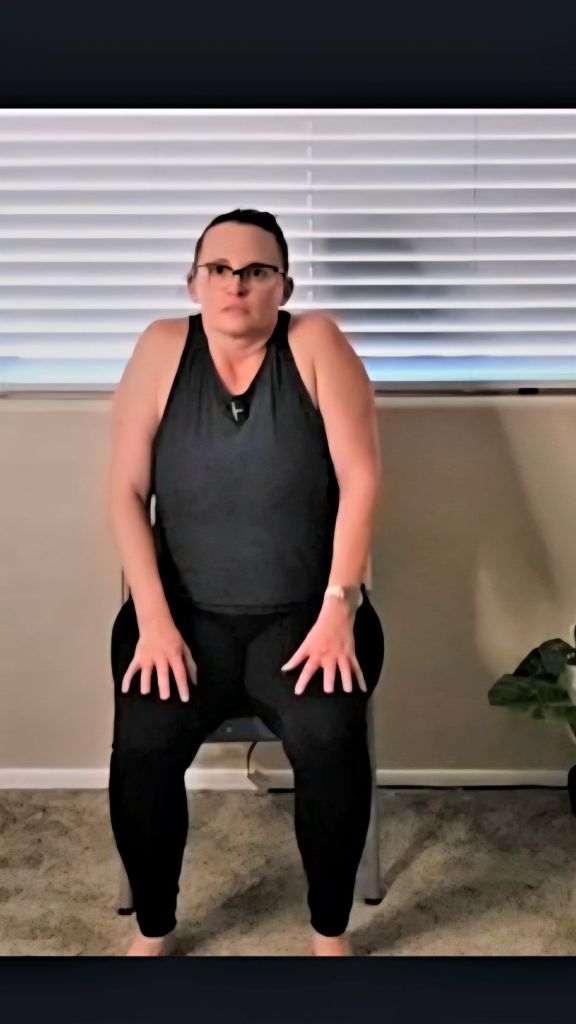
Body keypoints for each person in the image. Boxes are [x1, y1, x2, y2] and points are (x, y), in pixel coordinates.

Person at [106, 208, 385, 957]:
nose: (237, 284)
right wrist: (155, 622)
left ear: (283, 285)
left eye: (257, 271)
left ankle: (330, 932)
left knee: (329, 739)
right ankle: (154, 929)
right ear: (194, 281)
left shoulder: (317, 342)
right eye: (220, 269)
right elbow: (125, 496)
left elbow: (362, 481)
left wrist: (340, 608)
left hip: (306, 617)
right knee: (144, 744)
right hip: (181, 618)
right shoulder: (162, 348)